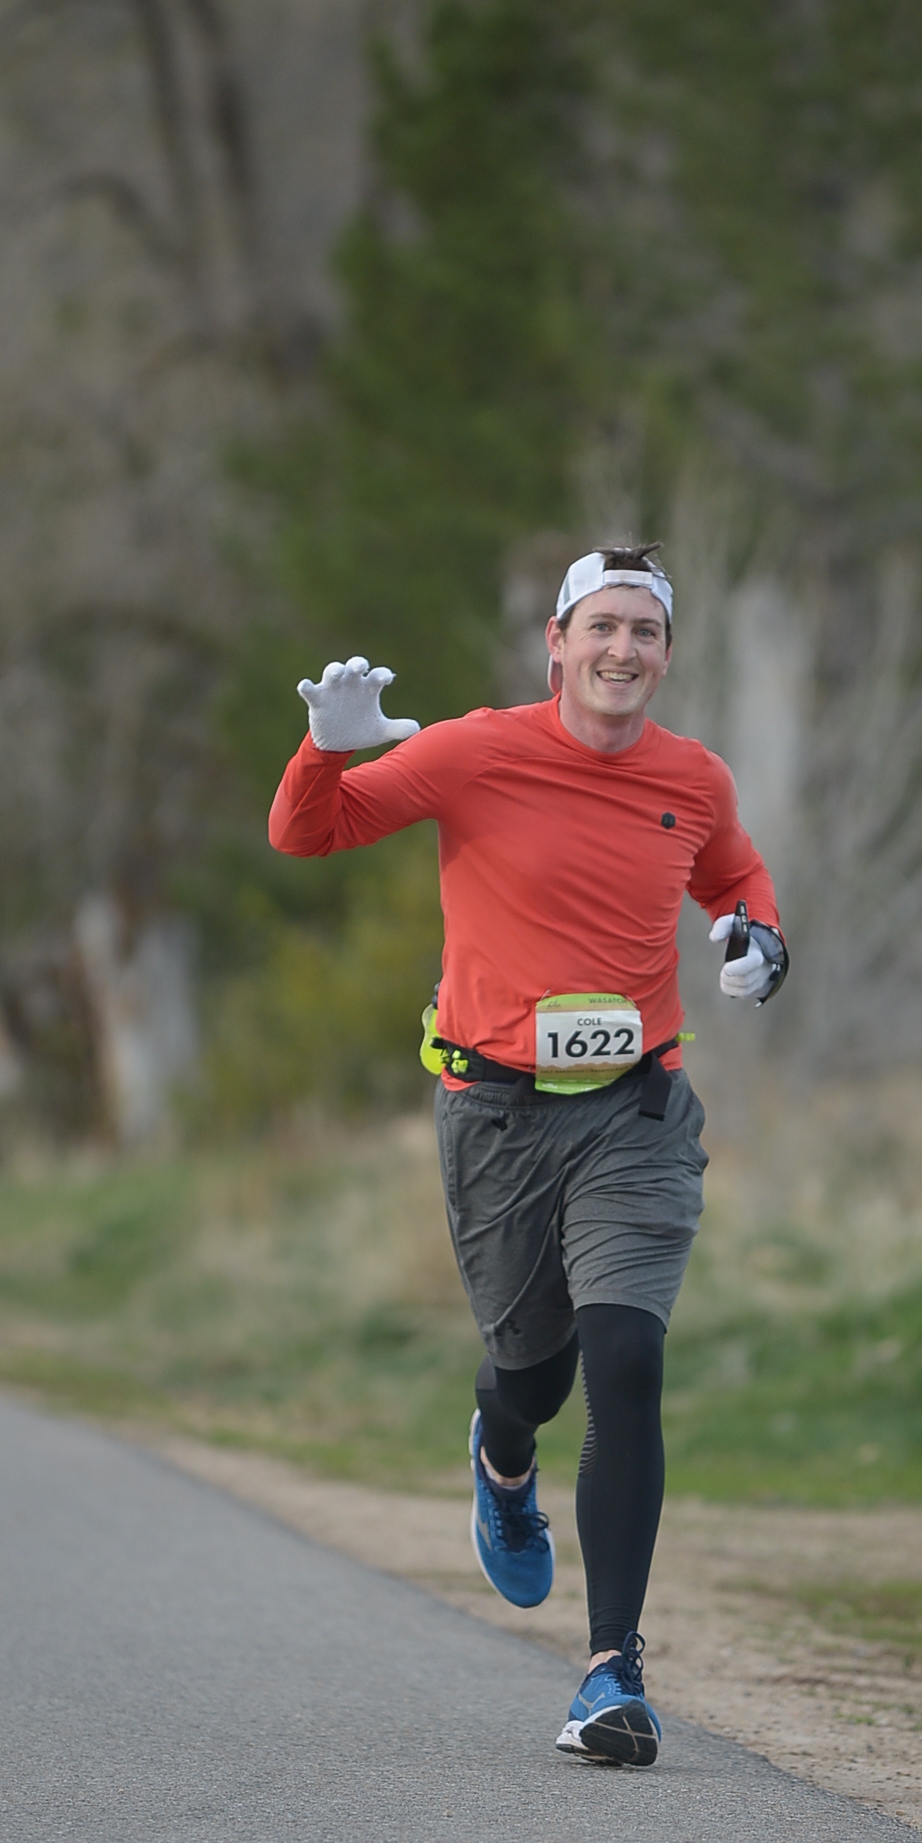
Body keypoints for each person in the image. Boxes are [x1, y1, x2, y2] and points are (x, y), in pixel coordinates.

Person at [268, 546, 785, 1765]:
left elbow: (732, 874)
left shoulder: (690, 776)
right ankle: (502, 1460)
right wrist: (324, 750)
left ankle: (609, 1672)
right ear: (554, 642)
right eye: (599, 626)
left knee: (626, 1358)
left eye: (643, 632)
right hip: (496, 1118)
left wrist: (757, 936)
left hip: (635, 1113)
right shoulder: (473, 751)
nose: (621, 650)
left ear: (665, 654)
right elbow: (306, 834)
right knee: (532, 1373)